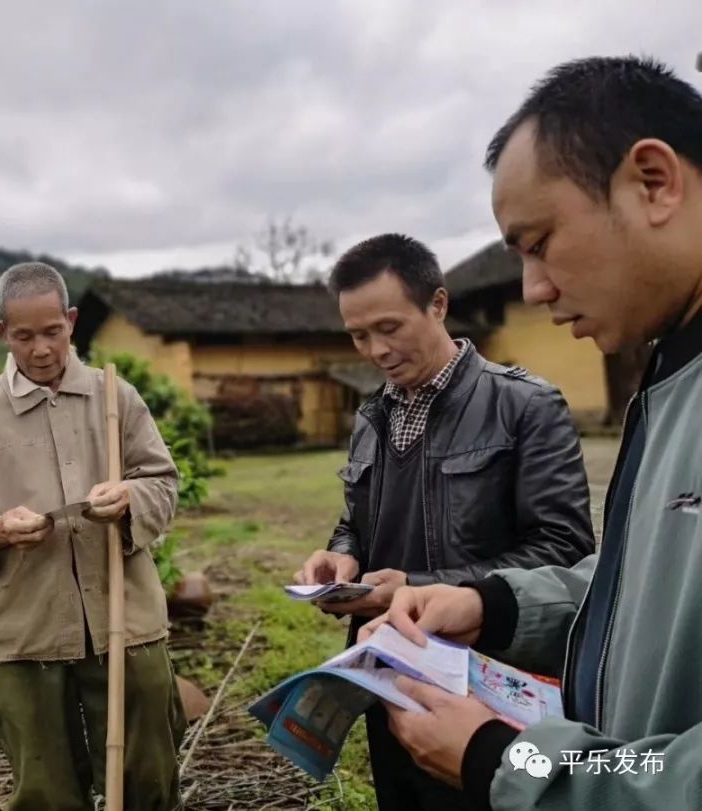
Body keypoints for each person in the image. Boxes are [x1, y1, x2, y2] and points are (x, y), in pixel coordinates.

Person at [360, 55, 702, 811]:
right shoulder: (670, 380)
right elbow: (643, 590)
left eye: (540, 241)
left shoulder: (530, 400)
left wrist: (506, 759)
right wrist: (494, 604)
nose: (533, 289)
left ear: (654, 182)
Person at [294, 233, 594, 810]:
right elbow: (356, 520)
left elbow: (564, 551)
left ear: (437, 303)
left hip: (481, 681)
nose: (376, 350)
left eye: (390, 327)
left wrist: (424, 586)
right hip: (386, 663)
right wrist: (341, 555)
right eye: (359, 335)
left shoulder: (525, 406)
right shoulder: (371, 416)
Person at [0, 262, 186, 811]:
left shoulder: (116, 398)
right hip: (25, 630)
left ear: (71, 322)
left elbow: (161, 482)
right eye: (24, 336)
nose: (41, 349)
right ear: (3, 333)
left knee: (147, 774)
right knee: (45, 790)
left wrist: (130, 500)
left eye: (52, 332)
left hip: (125, 619)